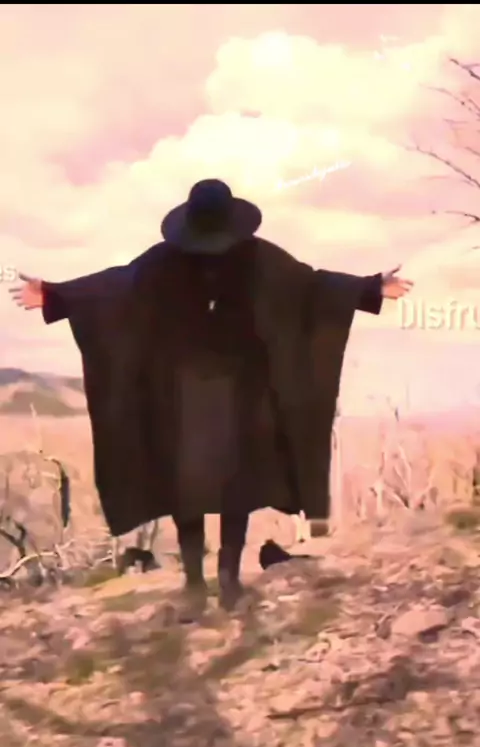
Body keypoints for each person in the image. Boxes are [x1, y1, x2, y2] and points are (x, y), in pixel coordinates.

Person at [10, 179, 413, 611]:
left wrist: (369, 288)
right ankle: (195, 583)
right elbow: (116, 287)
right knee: (189, 487)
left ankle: (227, 578)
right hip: (181, 394)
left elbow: (309, 286)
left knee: (235, 486)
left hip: (242, 392)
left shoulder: (257, 258)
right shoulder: (164, 262)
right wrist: (55, 296)